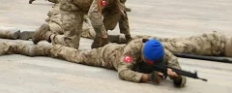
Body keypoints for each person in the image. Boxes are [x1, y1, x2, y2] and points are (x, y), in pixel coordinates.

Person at [34, 0, 135, 49]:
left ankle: (98, 43)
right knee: (71, 45)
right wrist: (103, 35)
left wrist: (127, 36)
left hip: (87, 5)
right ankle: (46, 35)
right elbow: (93, 14)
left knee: (116, 10)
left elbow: (122, 12)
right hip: (72, 5)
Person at [42, 38, 186, 86]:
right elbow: (123, 72)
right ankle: (47, 48)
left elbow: (178, 70)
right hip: (108, 55)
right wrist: (147, 77)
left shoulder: (163, 53)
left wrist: (177, 78)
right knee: (76, 55)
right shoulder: (133, 50)